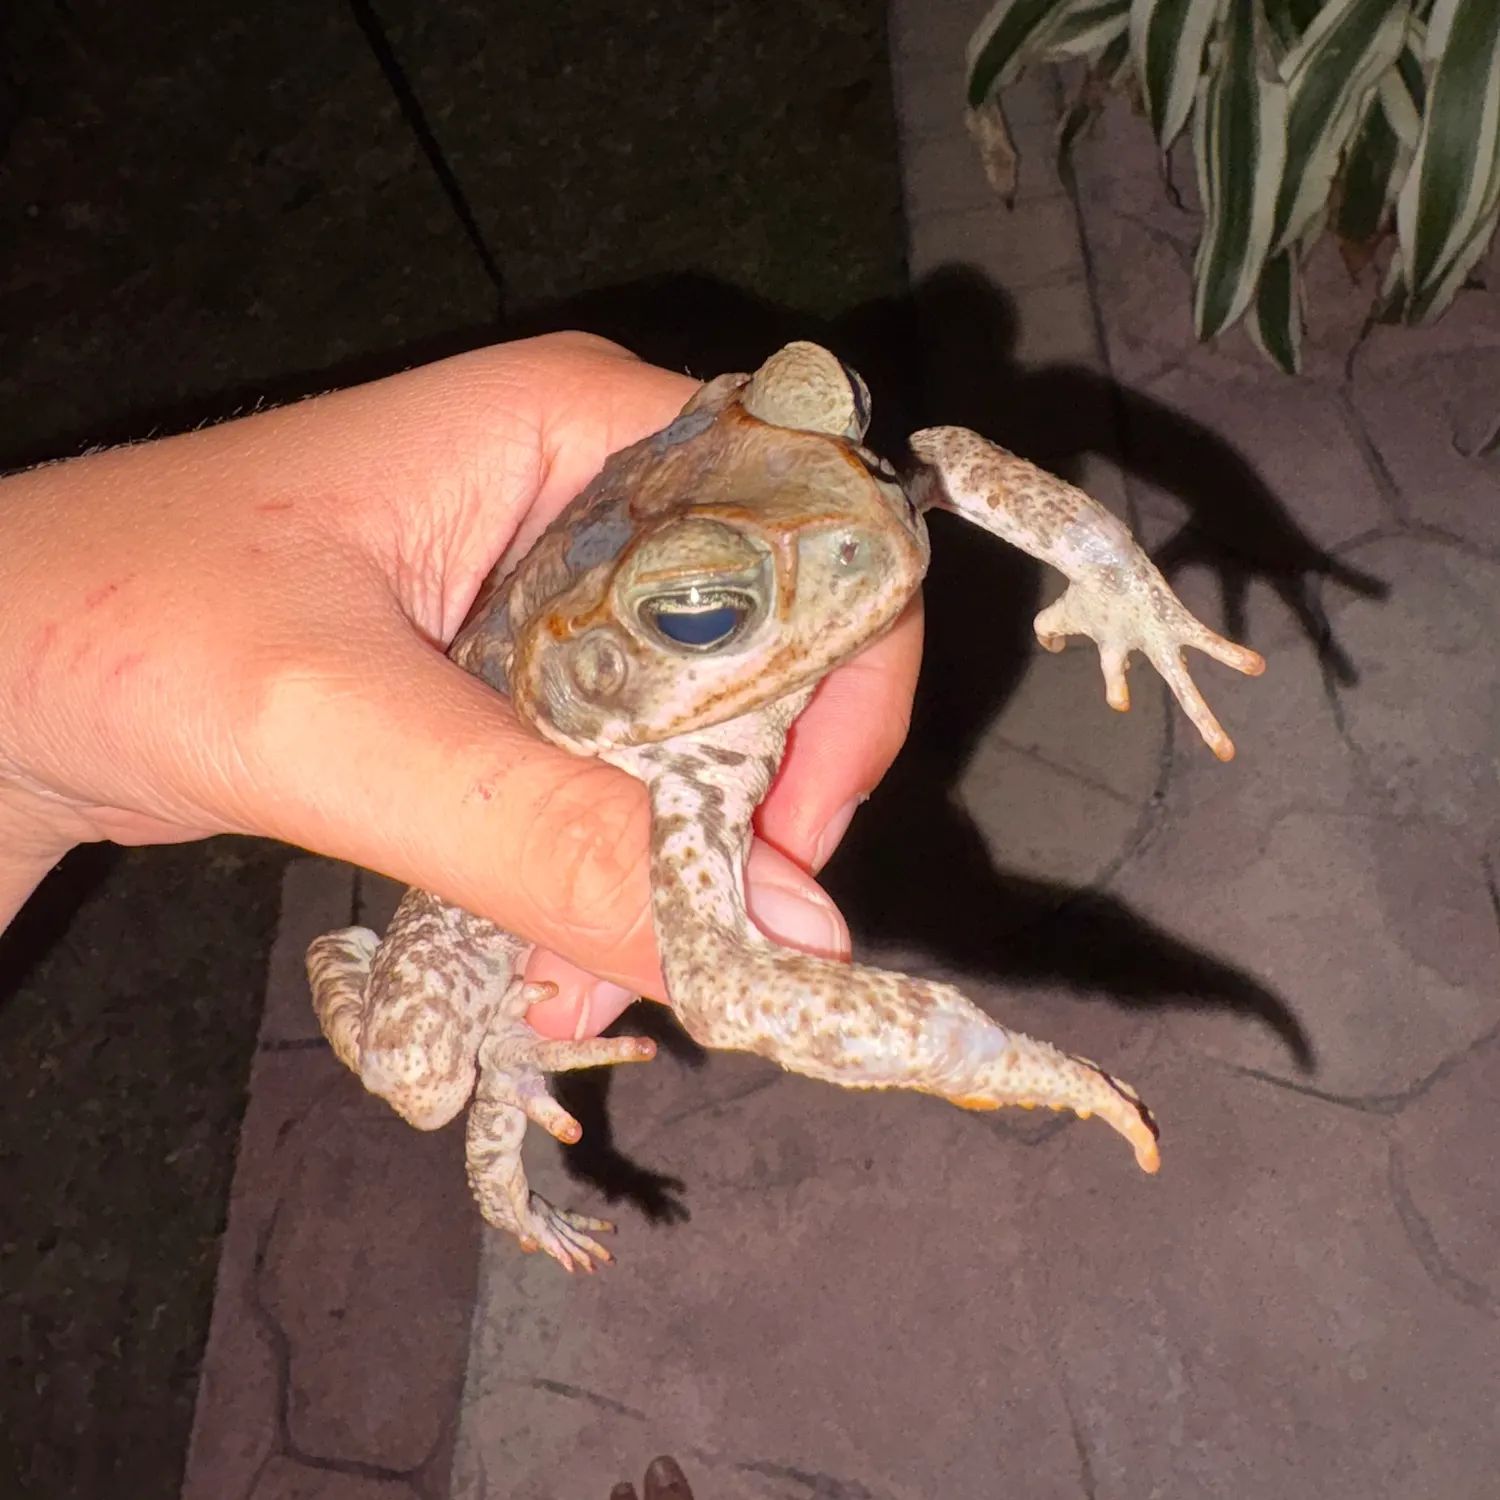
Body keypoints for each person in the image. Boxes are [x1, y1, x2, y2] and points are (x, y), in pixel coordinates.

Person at [0, 332, 921, 1041]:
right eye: (699, 607)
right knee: (417, 1071)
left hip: (593, 665)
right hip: (533, 730)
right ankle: (340, 951)